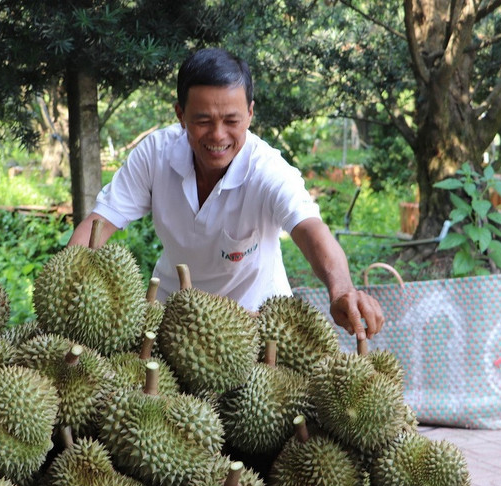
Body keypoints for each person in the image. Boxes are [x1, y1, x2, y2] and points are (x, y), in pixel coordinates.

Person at [68, 47, 384, 342]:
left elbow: (310, 229)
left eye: (231, 121)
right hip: (172, 322)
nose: (218, 135)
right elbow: (101, 221)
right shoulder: (155, 155)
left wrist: (341, 289)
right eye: (203, 121)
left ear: (250, 113)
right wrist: (67, 279)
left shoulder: (267, 169)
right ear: (180, 115)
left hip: (254, 326)